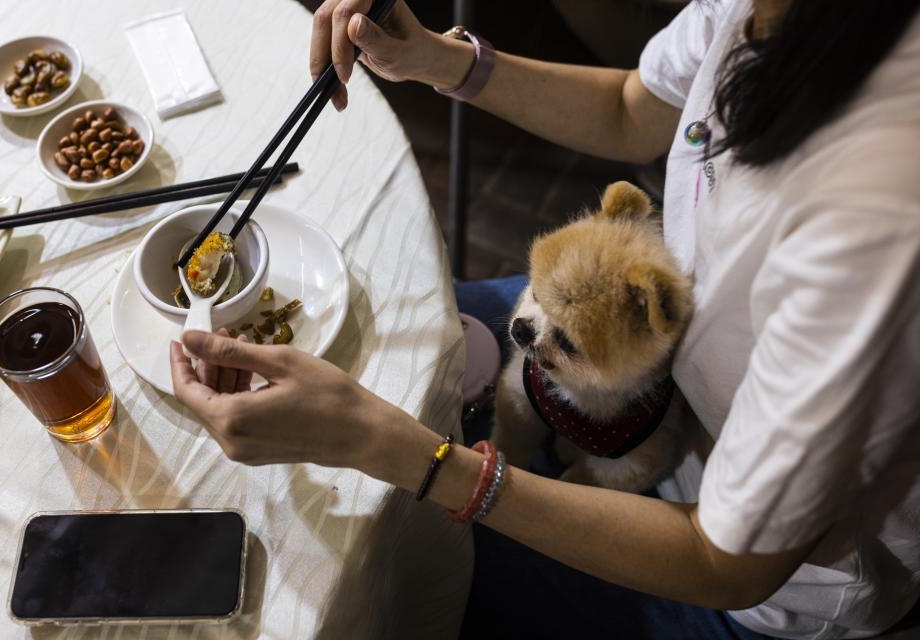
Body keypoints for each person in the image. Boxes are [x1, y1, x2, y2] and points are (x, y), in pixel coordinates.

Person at [168, 0, 920, 637]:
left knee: (385, 558)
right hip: (633, 370)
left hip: (734, 569)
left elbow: (725, 562)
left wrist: (390, 447)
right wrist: (436, 60)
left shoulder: (875, 211)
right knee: (383, 353)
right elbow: (633, 109)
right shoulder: (767, 11)